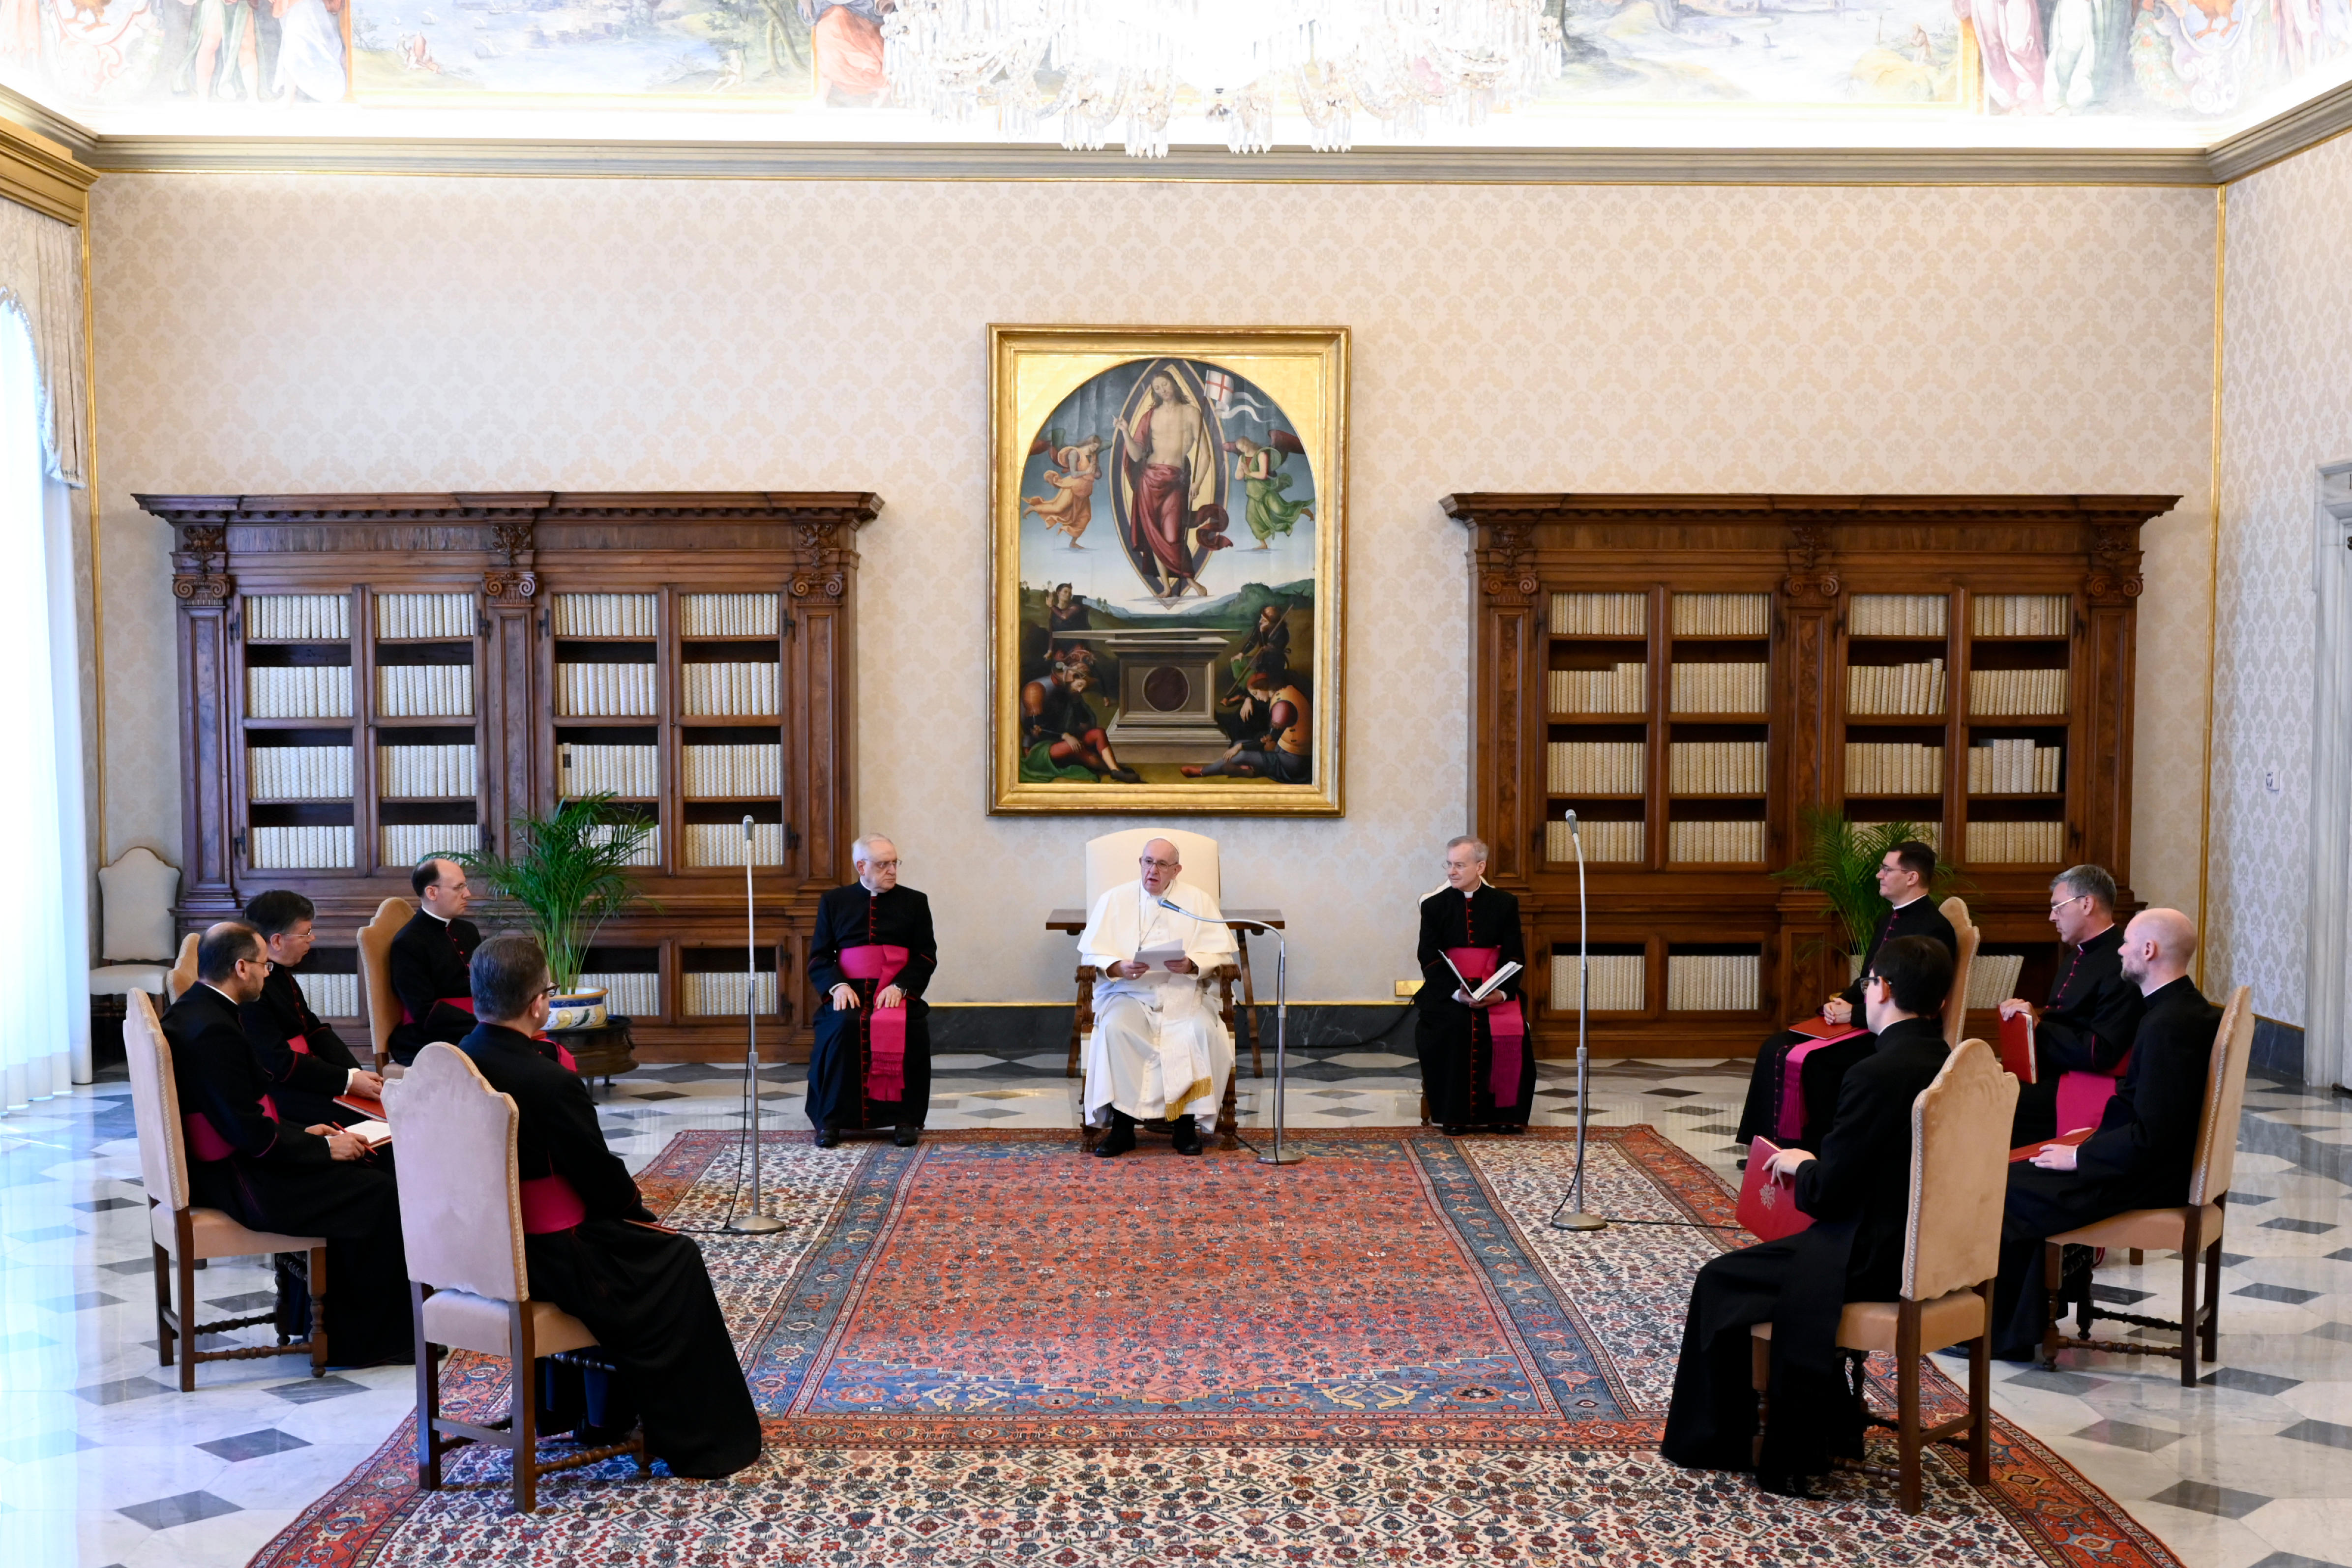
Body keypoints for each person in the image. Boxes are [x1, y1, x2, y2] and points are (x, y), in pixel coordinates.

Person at [454, 935, 762, 1479]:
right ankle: (704, 1440)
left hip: (473, 1250)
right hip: (547, 1256)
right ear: (538, 1004)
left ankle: (581, 1411)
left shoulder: (451, 1065)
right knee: (678, 1260)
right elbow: (600, 1180)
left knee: (646, 1255)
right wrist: (635, 1208)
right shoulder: (547, 1080)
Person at [1663, 935, 1956, 1495]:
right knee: (1750, 1272)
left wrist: (1803, 1166)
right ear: (1940, 1001)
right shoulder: (1950, 1065)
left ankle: (1728, 1442)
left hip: (1872, 1255)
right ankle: (1823, 1417)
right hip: (1933, 1249)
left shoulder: (1875, 1072)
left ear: (1881, 989)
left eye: (1868, 983)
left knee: (1719, 1280)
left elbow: (1827, 1197)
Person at [160, 922, 413, 1366]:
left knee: (370, 1164)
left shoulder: (196, 1009)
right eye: (263, 965)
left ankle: (316, 1318)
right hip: (239, 1179)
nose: (267, 973)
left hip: (231, 1163)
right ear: (241, 968)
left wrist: (306, 1133)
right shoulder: (214, 1030)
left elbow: (243, 1115)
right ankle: (363, 1342)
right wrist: (324, 1150)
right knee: (378, 1191)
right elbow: (248, 1133)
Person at [1989, 908, 2220, 1360]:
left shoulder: (2167, 1025)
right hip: (2149, 1162)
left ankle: (2008, 1337)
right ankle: (2030, 1319)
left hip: (2150, 1176)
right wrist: (2088, 1138)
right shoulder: (2181, 1008)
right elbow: (2150, 1115)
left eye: (2127, 942)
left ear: (2148, 951)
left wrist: (2081, 1156)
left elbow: (2150, 1137)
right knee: (2022, 1173)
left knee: (2008, 1188)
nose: (2119, 950)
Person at [1733, 841, 1957, 1152]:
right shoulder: (1889, 919)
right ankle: (1767, 1147)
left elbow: (1914, 998)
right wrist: (1841, 1003)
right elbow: (1868, 979)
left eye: (1887, 869)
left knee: (1810, 1060)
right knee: (1775, 1046)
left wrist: (1853, 1014)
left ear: (1911, 877)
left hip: (1895, 1032)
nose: (1879, 875)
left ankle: (1809, 1150)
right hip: (1870, 1018)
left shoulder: (1933, 928)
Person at [1078, 837, 1238, 1157]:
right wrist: (1118, 966)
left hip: (1185, 992)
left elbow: (1221, 954)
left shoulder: (1197, 901)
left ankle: (1184, 1127)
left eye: (1162, 864)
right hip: (1129, 993)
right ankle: (1122, 1130)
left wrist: (1193, 964)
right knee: (1116, 1029)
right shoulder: (1114, 899)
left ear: (1176, 870)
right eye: (1148, 862)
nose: (1153, 870)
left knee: (1197, 1031)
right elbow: (1092, 955)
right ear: (1140, 863)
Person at [806, 834, 938, 1150]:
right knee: (842, 1025)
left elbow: (926, 956)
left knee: (906, 1025)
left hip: (895, 989)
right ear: (861, 867)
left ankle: (905, 1119)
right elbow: (819, 957)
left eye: (895, 863)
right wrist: (837, 986)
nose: (892, 870)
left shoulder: (915, 902)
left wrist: (901, 986)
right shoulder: (834, 902)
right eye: (883, 864)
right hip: (849, 990)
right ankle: (831, 1121)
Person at [2003, 864, 2145, 1144]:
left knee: (1993, 1102)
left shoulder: (2122, 963)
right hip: (2057, 1070)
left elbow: (2102, 1052)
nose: (2051, 917)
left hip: (2089, 1081)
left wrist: (2038, 1026)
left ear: (2086, 904)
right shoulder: (2074, 956)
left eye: (2058, 907)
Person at [1413, 836, 1533, 1135]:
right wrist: (1457, 993)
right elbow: (1428, 955)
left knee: (1512, 1027)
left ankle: (1505, 1115)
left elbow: (1515, 954)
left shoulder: (1505, 903)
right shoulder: (1434, 906)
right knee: (1454, 1026)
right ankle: (1453, 1115)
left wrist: (1501, 993)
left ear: (1480, 867)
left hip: (1495, 986)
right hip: (1449, 990)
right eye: (1449, 864)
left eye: (1459, 865)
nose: (1451, 872)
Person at [239, 888, 385, 1129]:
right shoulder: (251, 989)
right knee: (376, 1124)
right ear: (277, 941)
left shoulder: (280, 973)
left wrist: (353, 1072)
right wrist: (347, 1081)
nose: (312, 938)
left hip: (308, 1077)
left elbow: (314, 1029)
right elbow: (278, 1063)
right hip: (283, 1091)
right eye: (306, 933)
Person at [386, 857, 481, 1065]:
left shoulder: (468, 931)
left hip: (478, 1022)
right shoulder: (408, 942)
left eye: (465, 885)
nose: (467, 894)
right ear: (432, 893)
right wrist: (484, 1024)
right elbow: (424, 1010)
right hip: (433, 1035)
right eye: (459, 887)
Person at [1181, 655, 1311, 782]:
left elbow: (1270, 740)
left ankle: (1203, 771)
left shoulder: (1282, 706)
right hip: (1284, 751)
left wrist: (1240, 747)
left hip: (1293, 763)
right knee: (1240, 744)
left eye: (1255, 693)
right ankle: (1251, 769)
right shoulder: (1285, 692)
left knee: (1241, 753)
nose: (1256, 698)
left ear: (1264, 687)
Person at [1020, 649, 1141, 783]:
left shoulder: (1068, 692)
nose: (1080, 690)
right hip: (1038, 749)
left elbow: (1085, 726)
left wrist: (1076, 702)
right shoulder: (1036, 690)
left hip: (1059, 742)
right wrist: (1065, 736)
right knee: (1077, 748)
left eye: (1083, 689)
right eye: (1079, 685)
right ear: (1072, 676)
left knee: (1098, 733)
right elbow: (1034, 729)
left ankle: (1115, 770)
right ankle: (1114, 770)